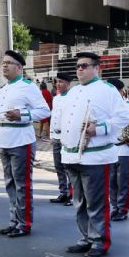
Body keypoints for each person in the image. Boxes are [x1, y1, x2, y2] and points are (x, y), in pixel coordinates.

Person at [59, 51, 128, 257]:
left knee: (96, 203)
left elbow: (123, 117)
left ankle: (100, 241)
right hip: (72, 155)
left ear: (97, 68)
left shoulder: (107, 90)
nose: (79, 69)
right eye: (78, 66)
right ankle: (86, 237)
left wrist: (98, 129)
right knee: (79, 201)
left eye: (84, 65)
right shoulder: (72, 92)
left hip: (95, 156)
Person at [0, 50, 50, 238]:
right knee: (10, 183)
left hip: (21, 140)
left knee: (22, 184)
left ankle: (24, 223)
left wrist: (22, 115)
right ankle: (14, 221)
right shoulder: (3, 89)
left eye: (9, 63)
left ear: (19, 67)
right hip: (4, 139)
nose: (5, 66)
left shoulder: (28, 87)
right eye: (3, 63)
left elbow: (44, 111)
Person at [109, 78, 129, 221]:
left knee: (124, 181)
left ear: (121, 92)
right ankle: (114, 206)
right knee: (111, 181)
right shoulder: (106, 107)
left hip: (125, 149)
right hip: (110, 149)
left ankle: (123, 209)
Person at [49, 72, 74, 205]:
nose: (58, 84)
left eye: (61, 82)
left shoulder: (73, 97)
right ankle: (63, 192)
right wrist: (51, 134)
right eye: (57, 82)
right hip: (57, 136)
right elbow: (54, 117)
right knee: (58, 166)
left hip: (67, 137)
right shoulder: (56, 98)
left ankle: (72, 194)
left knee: (68, 167)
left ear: (68, 84)